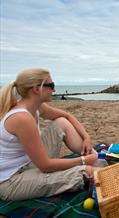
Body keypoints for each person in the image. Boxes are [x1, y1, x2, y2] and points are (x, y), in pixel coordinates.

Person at [0, 68, 99, 201]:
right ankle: (93, 163)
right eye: (51, 86)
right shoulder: (22, 118)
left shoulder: (35, 107)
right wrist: (82, 161)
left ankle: (94, 158)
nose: (54, 90)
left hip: (29, 162)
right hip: (11, 181)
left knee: (61, 122)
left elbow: (66, 116)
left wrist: (87, 137)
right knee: (86, 172)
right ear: (36, 89)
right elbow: (45, 166)